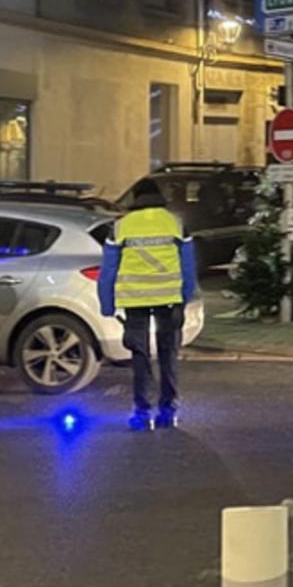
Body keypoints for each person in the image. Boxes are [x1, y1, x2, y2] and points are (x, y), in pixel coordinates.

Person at [99, 179, 197, 432]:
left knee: (140, 356)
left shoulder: (120, 227)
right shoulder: (175, 223)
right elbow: (188, 266)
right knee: (168, 355)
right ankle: (168, 410)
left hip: (134, 299)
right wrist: (183, 297)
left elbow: (108, 269)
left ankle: (141, 412)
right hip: (169, 299)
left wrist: (107, 304)